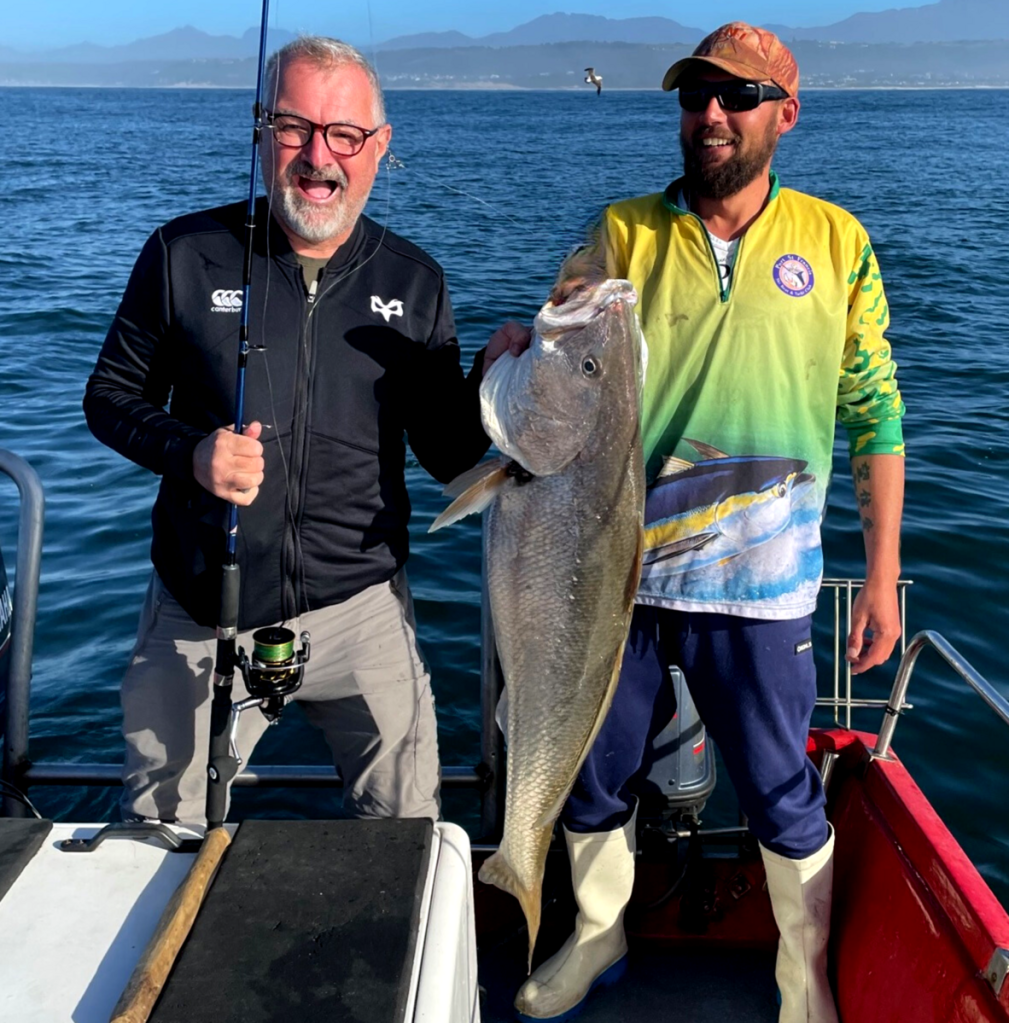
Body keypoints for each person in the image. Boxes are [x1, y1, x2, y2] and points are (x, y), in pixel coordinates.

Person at [501, 22, 905, 1023]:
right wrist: (512, 364)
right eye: (695, 95)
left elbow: (877, 415)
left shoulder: (836, 240)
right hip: (612, 576)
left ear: (784, 113)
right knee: (591, 781)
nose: (711, 114)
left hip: (762, 587)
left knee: (779, 790)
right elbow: (556, 391)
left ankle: (800, 972)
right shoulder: (620, 233)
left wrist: (884, 574)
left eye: (736, 96)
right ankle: (596, 938)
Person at [84, 37, 514, 826]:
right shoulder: (184, 253)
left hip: (362, 605)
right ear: (260, 133)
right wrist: (190, 452)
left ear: (378, 147)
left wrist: (490, 377)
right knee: (157, 838)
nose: (320, 156)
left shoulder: (413, 281)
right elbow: (108, 397)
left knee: (406, 835)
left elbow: (449, 453)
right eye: (293, 126)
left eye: (344, 134)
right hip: (200, 607)